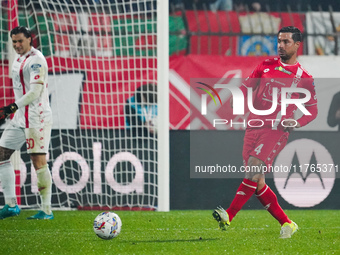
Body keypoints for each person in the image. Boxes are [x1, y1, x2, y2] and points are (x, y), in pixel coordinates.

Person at [213, 26, 318, 238]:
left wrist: (296, 122)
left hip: (276, 130)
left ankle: (229, 216)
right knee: (257, 180)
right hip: (254, 126)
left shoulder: (304, 77)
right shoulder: (266, 65)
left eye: (286, 42)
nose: (281, 45)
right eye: (279, 41)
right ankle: (287, 223)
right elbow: (247, 87)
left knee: (253, 170)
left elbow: (312, 110)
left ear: (297, 45)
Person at [0, 26, 53, 220]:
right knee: (1, 155)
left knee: (38, 162)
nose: (17, 45)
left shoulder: (36, 60)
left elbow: (35, 92)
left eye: (20, 41)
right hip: (20, 118)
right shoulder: (18, 59)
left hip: (36, 118)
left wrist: (11, 107)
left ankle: (46, 211)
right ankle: (11, 205)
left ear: (30, 39)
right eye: (14, 41)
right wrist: (14, 111)